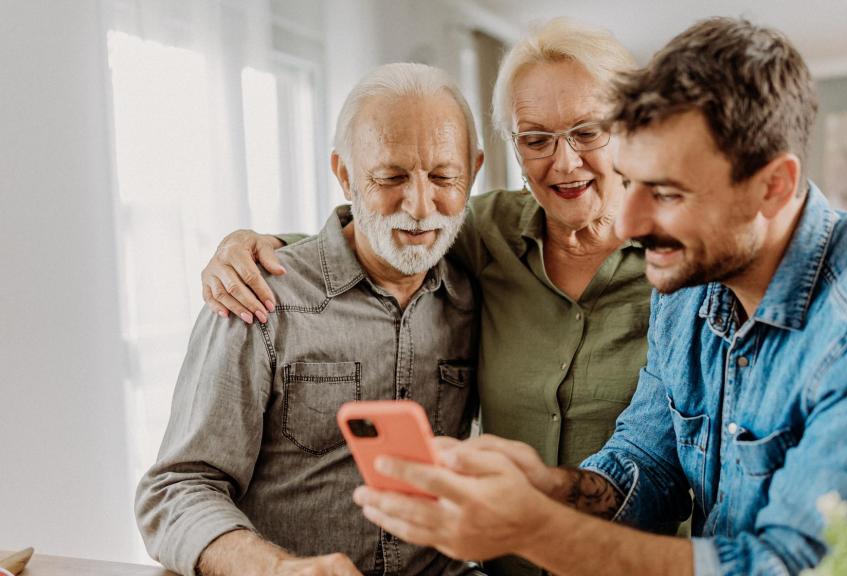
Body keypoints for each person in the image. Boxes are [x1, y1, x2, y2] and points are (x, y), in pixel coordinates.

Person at [349, 18, 847, 576]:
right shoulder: (692, 284)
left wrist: (536, 530)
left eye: (666, 193)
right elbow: (646, 459)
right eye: (632, 182)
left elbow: (788, 567)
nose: (633, 226)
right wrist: (546, 486)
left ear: (773, 188)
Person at [199, 19, 646, 575]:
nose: (564, 161)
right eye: (536, 139)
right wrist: (250, 247)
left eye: (587, 132)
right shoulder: (489, 235)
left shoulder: (683, 268)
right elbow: (384, 239)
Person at [135, 62, 485, 576]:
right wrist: (276, 569)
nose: (418, 204)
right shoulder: (256, 297)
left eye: (443, 177)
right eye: (390, 177)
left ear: (473, 172)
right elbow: (176, 491)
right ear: (344, 174)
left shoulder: (474, 298)